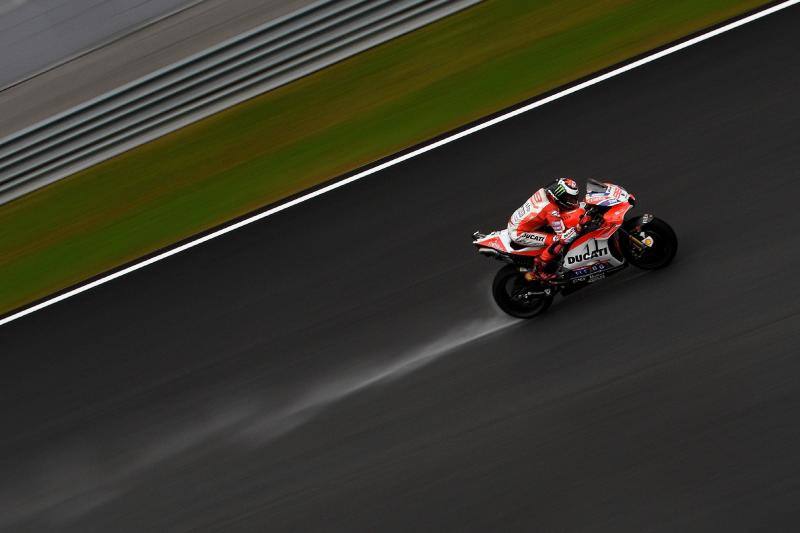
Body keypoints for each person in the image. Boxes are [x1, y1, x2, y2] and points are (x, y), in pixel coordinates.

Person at [507, 177, 585, 279]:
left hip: (518, 221)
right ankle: (539, 269)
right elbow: (563, 237)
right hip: (519, 232)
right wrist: (578, 228)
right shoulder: (551, 211)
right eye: (569, 199)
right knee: (557, 241)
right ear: (559, 196)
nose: (573, 201)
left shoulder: (544, 192)